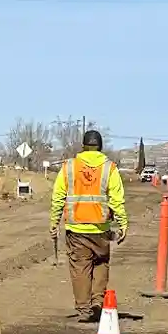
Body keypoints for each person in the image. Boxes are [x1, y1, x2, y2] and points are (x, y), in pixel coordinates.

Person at [50, 130, 128, 322]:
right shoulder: (110, 168)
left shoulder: (69, 167)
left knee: (80, 268)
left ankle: (84, 309)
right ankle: (97, 303)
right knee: (101, 263)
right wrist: (123, 223)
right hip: (101, 229)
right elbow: (117, 200)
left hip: (76, 229)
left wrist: (54, 222)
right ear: (100, 147)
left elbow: (58, 197)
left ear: (83, 146)